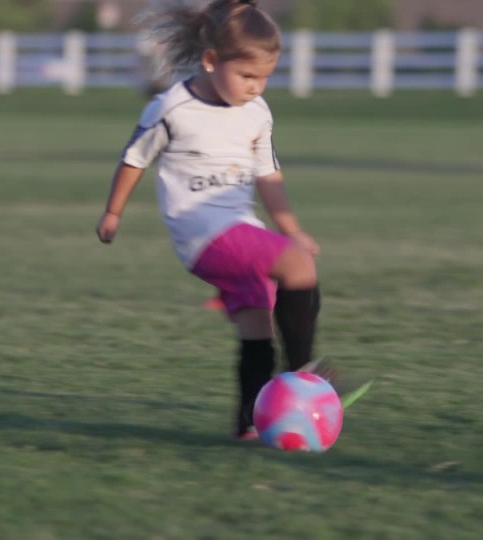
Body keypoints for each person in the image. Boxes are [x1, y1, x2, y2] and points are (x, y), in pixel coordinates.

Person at [96, 0, 321, 440]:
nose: (257, 87)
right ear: (212, 60)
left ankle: (249, 424)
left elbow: (269, 176)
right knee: (299, 267)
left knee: (258, 324)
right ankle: (305, 379)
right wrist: (112, 212)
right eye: (247, 76)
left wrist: (290, 227)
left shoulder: (257, 113)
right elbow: (134, 159)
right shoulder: (172, 107)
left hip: (241, 228)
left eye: (266, 77)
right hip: (201, 234)